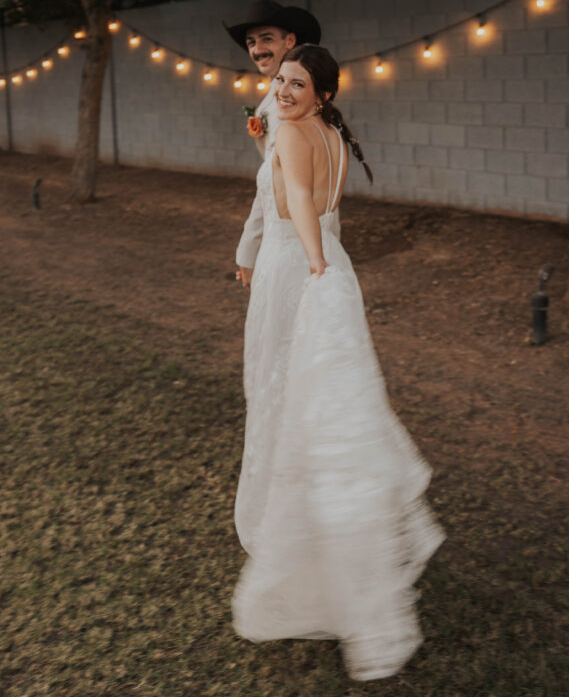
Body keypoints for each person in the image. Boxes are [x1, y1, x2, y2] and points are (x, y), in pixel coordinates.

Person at [232, 44, 444, 682]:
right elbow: (317, 199)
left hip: (300, 268)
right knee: (318, 402)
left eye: (297, 84)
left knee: (281, 396)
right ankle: (318, 533)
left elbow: (298, 199)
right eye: (281, 82)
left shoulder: (295, 135)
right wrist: (327, 263)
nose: (284, 92)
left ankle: (293, 537)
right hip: (328, 264)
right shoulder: (332, 135)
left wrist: (315, 266)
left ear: (320, 93)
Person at [224, 0, 321, 289]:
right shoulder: (280, 91)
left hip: (293, 232)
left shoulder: (289, 99)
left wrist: (247, 250)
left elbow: (272, 181)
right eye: (251, 42)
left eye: (267, 39)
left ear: (290, 41)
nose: (257, 49)